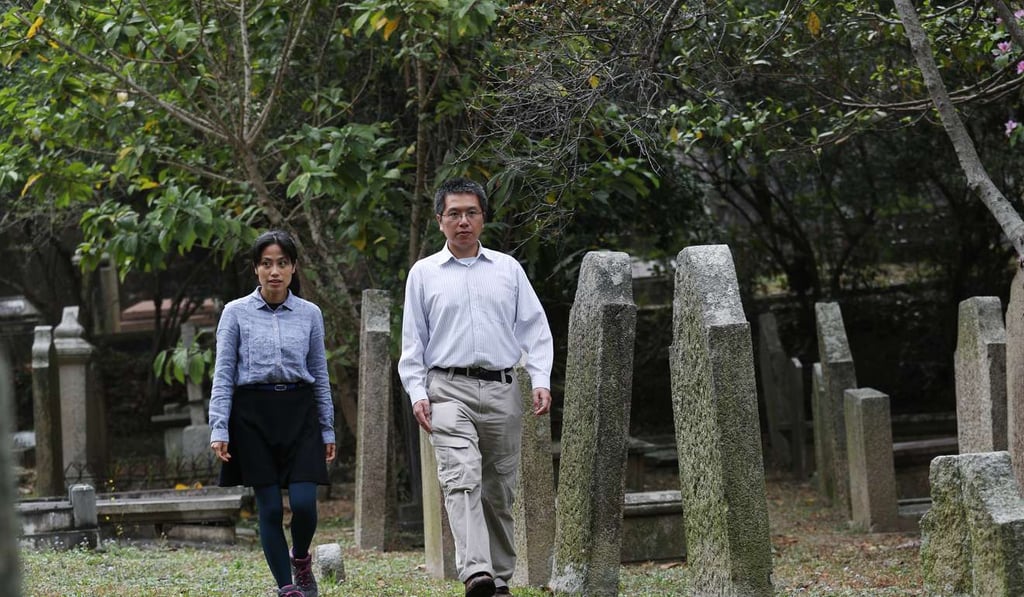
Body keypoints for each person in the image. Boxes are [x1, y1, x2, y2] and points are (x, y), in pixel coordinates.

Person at [399, 178, 555, 597]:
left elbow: (535, 329)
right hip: (447, 389)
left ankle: (500, 580)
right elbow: (413, 342)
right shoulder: (424, 274)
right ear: (440, 221)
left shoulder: (508, 269)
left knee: (498, 490)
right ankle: (476, 573)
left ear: (483, 217)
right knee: (461, 478)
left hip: (503, 389)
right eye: (454, 214)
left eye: (471, 213)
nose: (463, 221)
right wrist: (418, 392)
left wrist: (540, 379)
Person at [209, 230, 336, 597]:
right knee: (268, 508)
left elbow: (320, 373)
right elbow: (223, 373)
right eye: (267, 264)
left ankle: (300, 558)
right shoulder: (235, 313)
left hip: (300, 412)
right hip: (252, 416)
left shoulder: (310, 314)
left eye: (282, 263)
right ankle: (287, 587)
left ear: (294, 268)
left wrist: (327, 428)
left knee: (303, 505)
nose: (274, 271)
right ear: (256, 269)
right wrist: (220, 426)